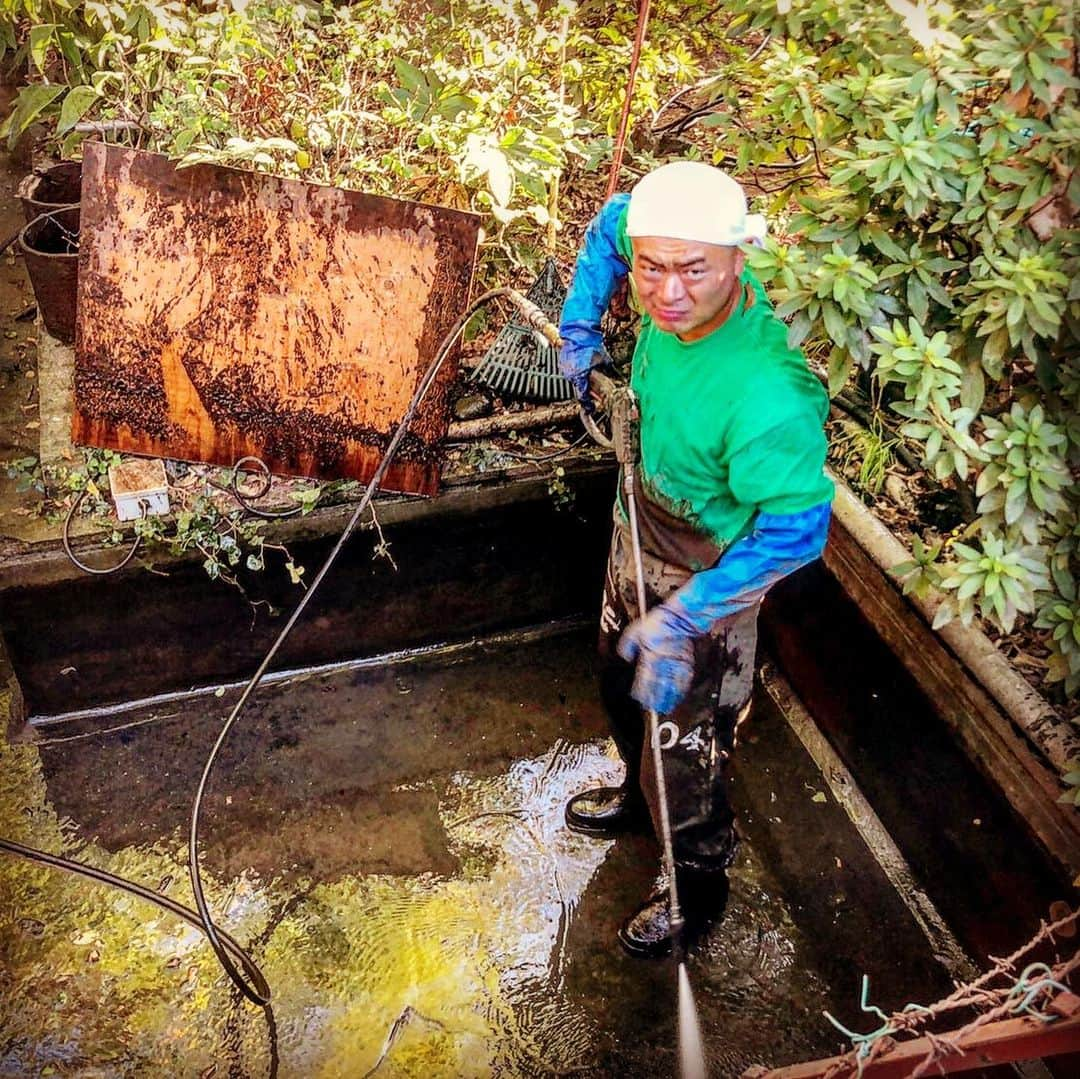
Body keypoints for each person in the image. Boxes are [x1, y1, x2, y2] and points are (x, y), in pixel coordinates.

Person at [558, 161, 834, 958]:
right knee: (618, 684)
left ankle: (695, 886)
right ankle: (639, 809)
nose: (666, 292)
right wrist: (580, 329)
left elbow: (795, 531)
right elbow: (613, 222)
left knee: (686, 746)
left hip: (711, 579)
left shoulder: (769, 392)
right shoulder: (650, 237)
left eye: (692, 271)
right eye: (652, 266)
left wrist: (683, 619)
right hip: (637, 524)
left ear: (738, 260)